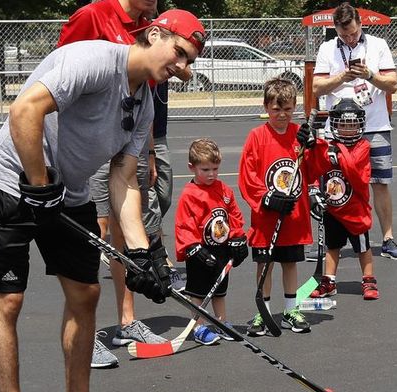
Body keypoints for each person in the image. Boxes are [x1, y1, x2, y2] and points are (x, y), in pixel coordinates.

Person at [0, 10, 204, 392]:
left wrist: (140, 251)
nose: (183, 67)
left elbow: (123, 180)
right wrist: (39, 185)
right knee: (7, 301)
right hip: (11, 182)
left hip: (69, 191)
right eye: (179, 53)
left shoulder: (144, 107)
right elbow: (25, 110)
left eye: (190, 61)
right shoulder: (94, 61)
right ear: (154, 34)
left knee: (85, 294)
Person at [57, 0, 190, 365]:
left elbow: (141, 98)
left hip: (128, 144)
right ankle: (88, 331)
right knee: (94, 229)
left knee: (125, 231)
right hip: (90, 146)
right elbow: (59, 80)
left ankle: (127, 320)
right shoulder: (93, 15)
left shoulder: (151, 26)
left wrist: (145, 149)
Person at [312, 2, 397, 261]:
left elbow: (392, 85)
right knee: (335, 184)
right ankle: (332, 242)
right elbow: (317, 88)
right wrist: (342, 77)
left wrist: (368, 75)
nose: (350, 38)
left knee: (380, 182)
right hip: (338, 130)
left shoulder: (378, 45)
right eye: (344, 35)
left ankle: (388, 238)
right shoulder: (327, 49)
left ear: (360, 24)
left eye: (353, 33)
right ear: (335, 29)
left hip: (375, 125)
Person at [238, 77, 323, 336]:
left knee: (290, 263)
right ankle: (262, 311)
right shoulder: (257, 137)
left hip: (293, 217)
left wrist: (313, 145)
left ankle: (290, 309)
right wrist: (266, 198)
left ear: (295, 107)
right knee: (265, 265)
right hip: (267, 218)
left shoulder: (301, 135)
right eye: (276, 109)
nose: (282, 115)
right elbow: (247, 174)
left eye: (287, 109)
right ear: (266, 107)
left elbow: (315, 168)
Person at [174, 138, 248, 345]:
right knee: (198, 292)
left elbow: (233, 216)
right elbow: (184, 225)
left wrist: (238, 238)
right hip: (200, 251)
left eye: (215, 168)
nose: (211, 174)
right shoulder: (189, 195)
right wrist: (193, 248)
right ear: (192, 167)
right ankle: (198, 327)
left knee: (220, 289)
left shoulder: (224, 190)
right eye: (205, 169)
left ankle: (221, 322)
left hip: (221, 249)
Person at [304, 98, 380, 301]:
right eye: (344, 125)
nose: (348, 129)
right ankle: (328, 281)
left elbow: (358, 176)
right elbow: (315, 168)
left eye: (353, 125)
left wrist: (340, 154)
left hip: (356, 211)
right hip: (334, 209)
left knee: (362, 247)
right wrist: (313, 145)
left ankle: (368, 279)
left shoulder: (363, 146)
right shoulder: (329, 147)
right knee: (333, 246)